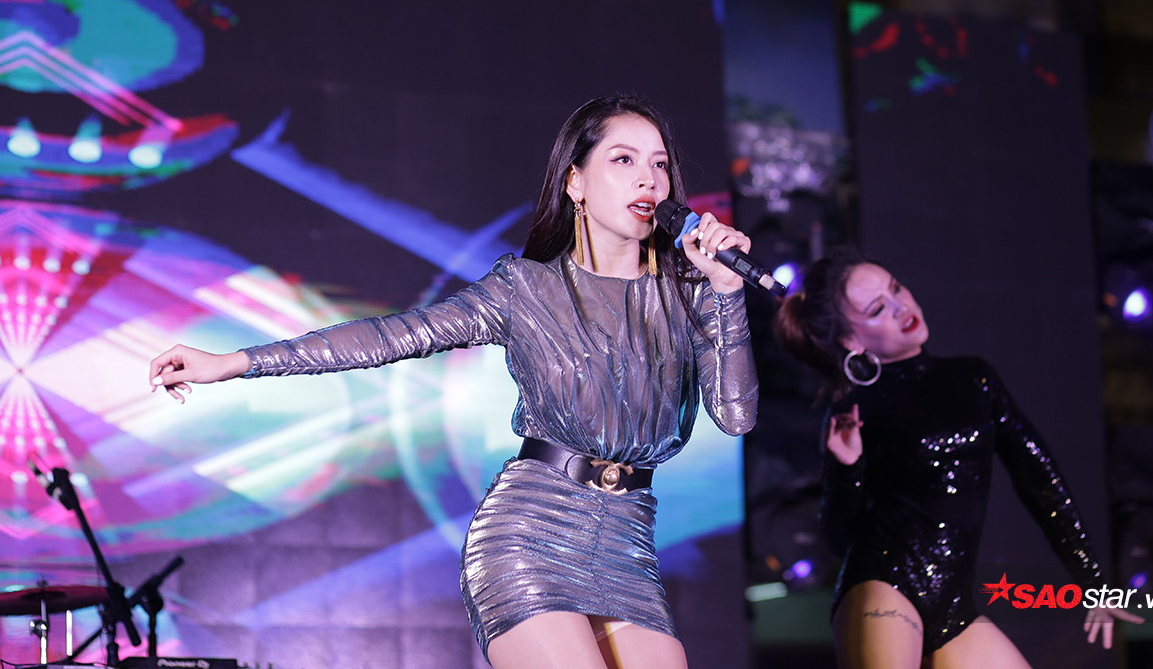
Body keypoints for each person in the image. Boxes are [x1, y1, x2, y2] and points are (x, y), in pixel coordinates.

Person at [148, 95, 758, 669]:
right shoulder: (525, 289)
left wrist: (727, 294)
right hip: (532, 535)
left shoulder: (692, 294)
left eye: (659, 165)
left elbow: (736, 417)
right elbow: (390, 336)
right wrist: (235, 361)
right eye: (623, 160)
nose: (648, 180)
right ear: (575, 181)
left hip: (629, 545)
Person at [772, 247, 1141, 669]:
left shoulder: (974, 378)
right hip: (884, 582)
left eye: (896, 288)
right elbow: (839, 540)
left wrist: (1092, 580)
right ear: (851, 341)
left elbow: (1040, 479)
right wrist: (846, 468)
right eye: (877, 308)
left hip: (953, 605)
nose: (900, 307)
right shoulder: (853, 411)